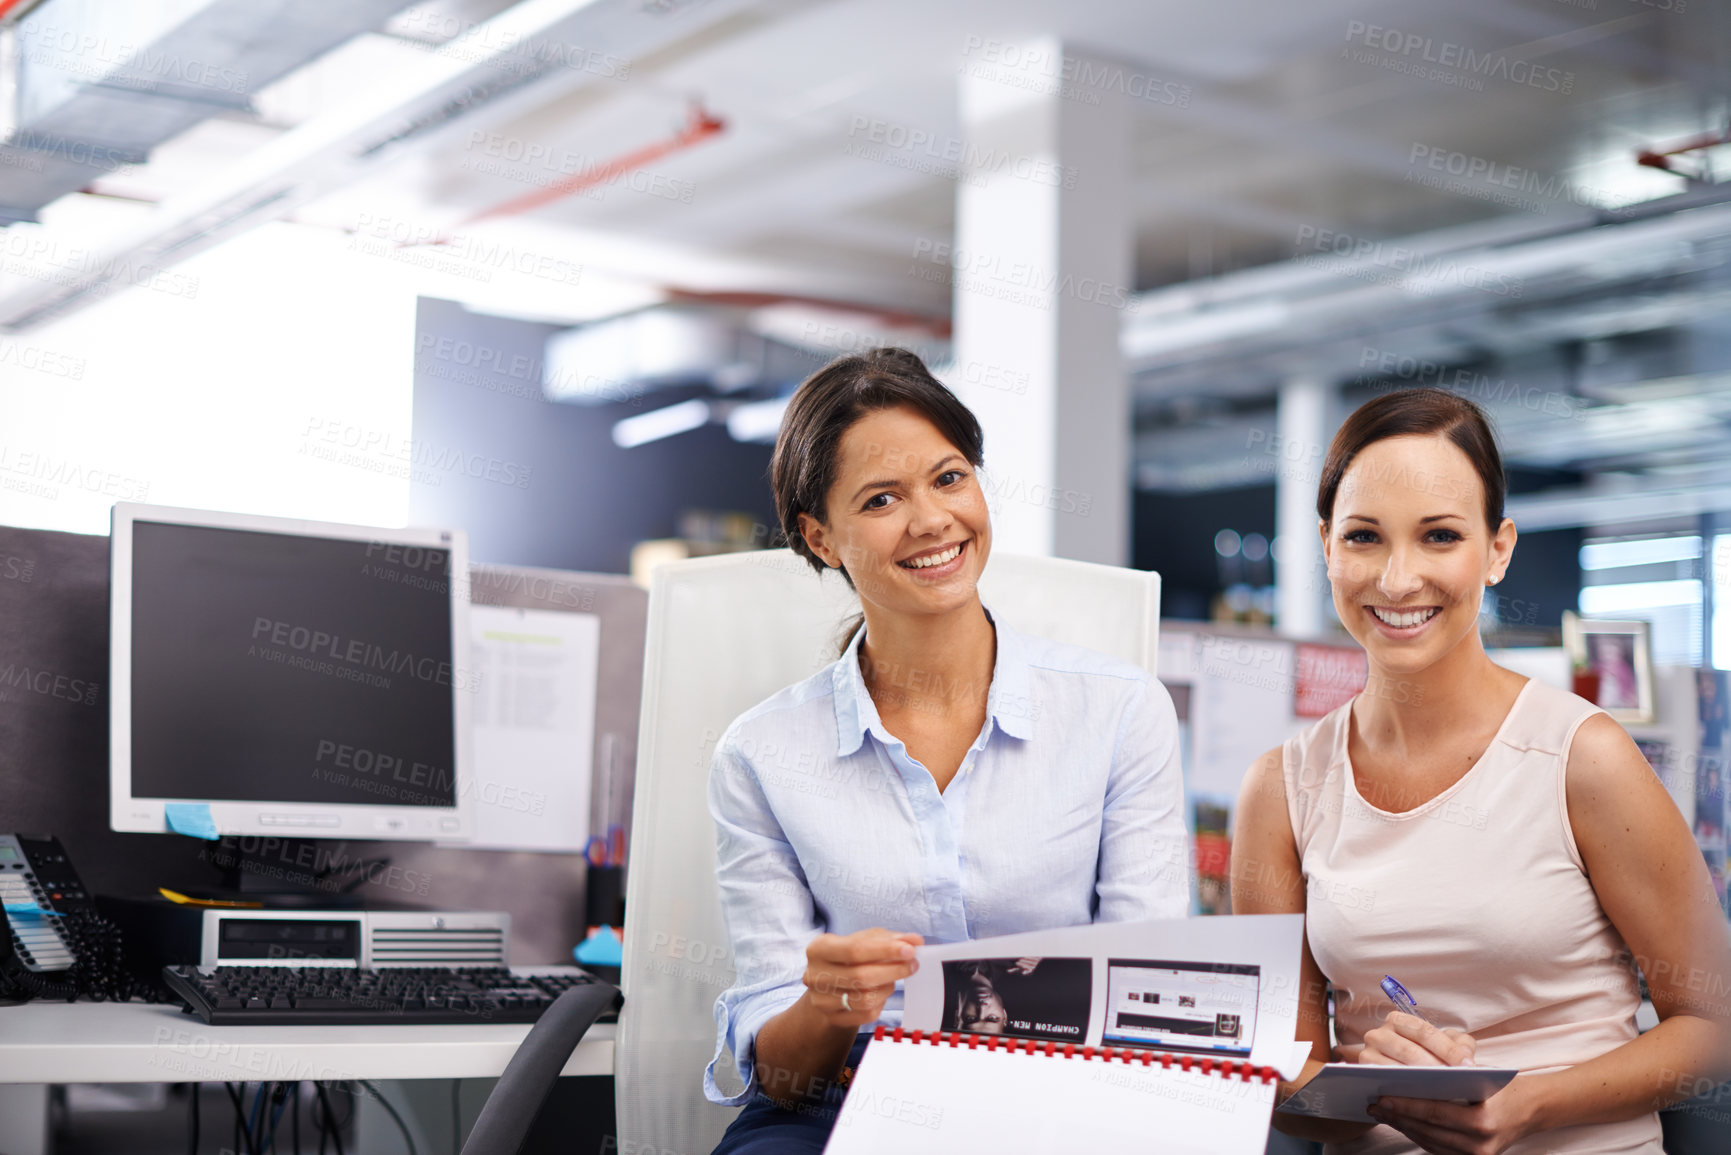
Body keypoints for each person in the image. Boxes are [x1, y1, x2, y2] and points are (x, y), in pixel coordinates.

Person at [704, 348, 1189, 1154]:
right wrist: (828, 1005)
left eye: (949, 477)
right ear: (819, 536)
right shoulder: (760, 755)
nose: (932, 519)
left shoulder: (1119, 709)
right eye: (882, 498)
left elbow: (1147, 989)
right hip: (845, 1098)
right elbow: (784, 1080)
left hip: (1063, 1096)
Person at [1233, 387, 1731, 1153]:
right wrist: (1370, 1085)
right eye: (1364, 537)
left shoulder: (1581, 757)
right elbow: (1287, 1087)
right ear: (1326, 544)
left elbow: (1713, 1027)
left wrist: (1524, 1103)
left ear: (1496, 549)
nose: (1398, 580)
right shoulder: (1280, 787)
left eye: (1438, 536)